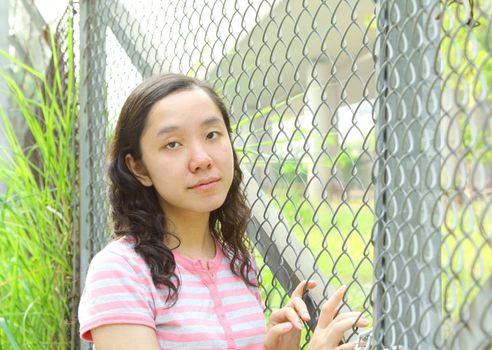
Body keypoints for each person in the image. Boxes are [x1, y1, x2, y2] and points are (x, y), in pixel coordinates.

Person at [78, 73, 369, 350]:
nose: (202, 159)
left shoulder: (238, 262)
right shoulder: (121, 271)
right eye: (173, 144)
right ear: (138, 167)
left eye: (212, 134)